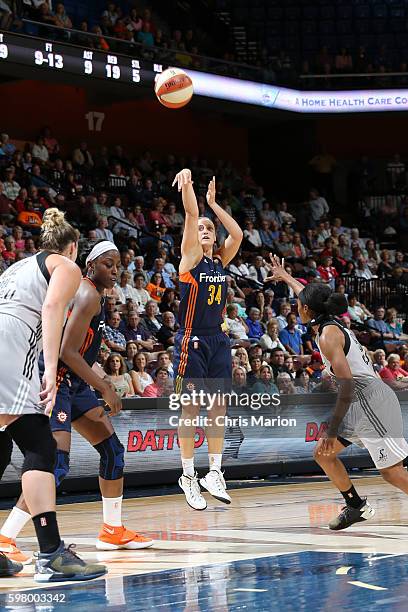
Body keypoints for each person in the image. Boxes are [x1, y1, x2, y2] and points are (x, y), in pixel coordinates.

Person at [0, 241, 152, 564]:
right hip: (57, 380)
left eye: (118, 265)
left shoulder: (94, 296)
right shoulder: (87, 293)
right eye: (108, 264)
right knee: (54, 463)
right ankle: (6, 536)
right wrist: (106, 386)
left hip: (75, 382)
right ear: (90, 265)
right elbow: (66, 352)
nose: (115, 270)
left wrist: (97, 378)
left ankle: (112, 529)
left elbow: (79, 352)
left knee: (112, 451)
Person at [0, 209, 106, 581]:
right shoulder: (66, 266)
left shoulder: (17, 267)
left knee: (1, 447)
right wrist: (47, 368)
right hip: (12, 346)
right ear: (73, 247)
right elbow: (52, 308)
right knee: (39, 446)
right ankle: (51, 555)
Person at [268, 254, 408, 531]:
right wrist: (285, 277)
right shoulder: (325, 319)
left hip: (370, 401)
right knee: (323, 454)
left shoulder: (328, 335)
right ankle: (356, 505)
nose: (297, 306)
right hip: (361, 403)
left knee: (391, 472)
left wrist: (332, 429)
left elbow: (347, 386)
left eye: (299, 305)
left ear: (306, 309)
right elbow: (304, 294)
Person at [172, 170, 242, 510]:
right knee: (191, 409)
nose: (204, 230)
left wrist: (214, 205)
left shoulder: (220, 260)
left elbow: (238, 233)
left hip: (218, 341)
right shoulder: (190, 259)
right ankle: (187, 475)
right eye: (200, 228)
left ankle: (214, 472)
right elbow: (189, 213)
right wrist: (190, 187)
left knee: (218, 409)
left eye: (209, 227)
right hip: (192, 340)